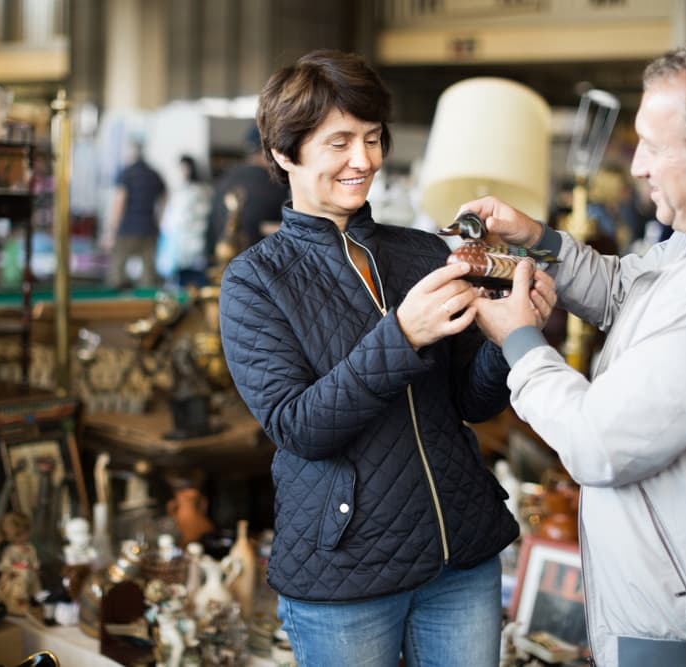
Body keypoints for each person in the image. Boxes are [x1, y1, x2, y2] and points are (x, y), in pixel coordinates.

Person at [469, 39, 686, 667]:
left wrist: (518, 338)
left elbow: (598, 442)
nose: (637, 167)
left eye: (654, 148)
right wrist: (539, 240)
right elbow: (628, 290)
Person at [218, 49, 554, 667]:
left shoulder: (421, 251)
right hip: (345, 572)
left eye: (372, 139)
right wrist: (401, 334)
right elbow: (297, 427)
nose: (364, 160)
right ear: (285, 152)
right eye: (339, 141)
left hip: (461, 551)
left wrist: (515, 332)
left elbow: (468, 402)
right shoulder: (254, 281)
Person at [204, 124, 289, 267]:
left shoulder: (225, 179)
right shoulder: (275, 184)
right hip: (262, 271)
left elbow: (209, 233)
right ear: (268, 151)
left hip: (223, 272)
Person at [102, 141, 167, 288]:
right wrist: (158, 219)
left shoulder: (127, 174)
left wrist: (111, 230)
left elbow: (119, 202)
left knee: (117, 271)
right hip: (149, 227)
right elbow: (164, 198)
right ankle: (147, 305)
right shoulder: (154, 174)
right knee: (148, 274)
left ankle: (118, 306)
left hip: (128, 227)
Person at [157, 155, 213, 287]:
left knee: (194, 279)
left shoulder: (201, 190)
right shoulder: (181, 190)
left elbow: (200, 216)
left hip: (194, 242)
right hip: (178, 243)